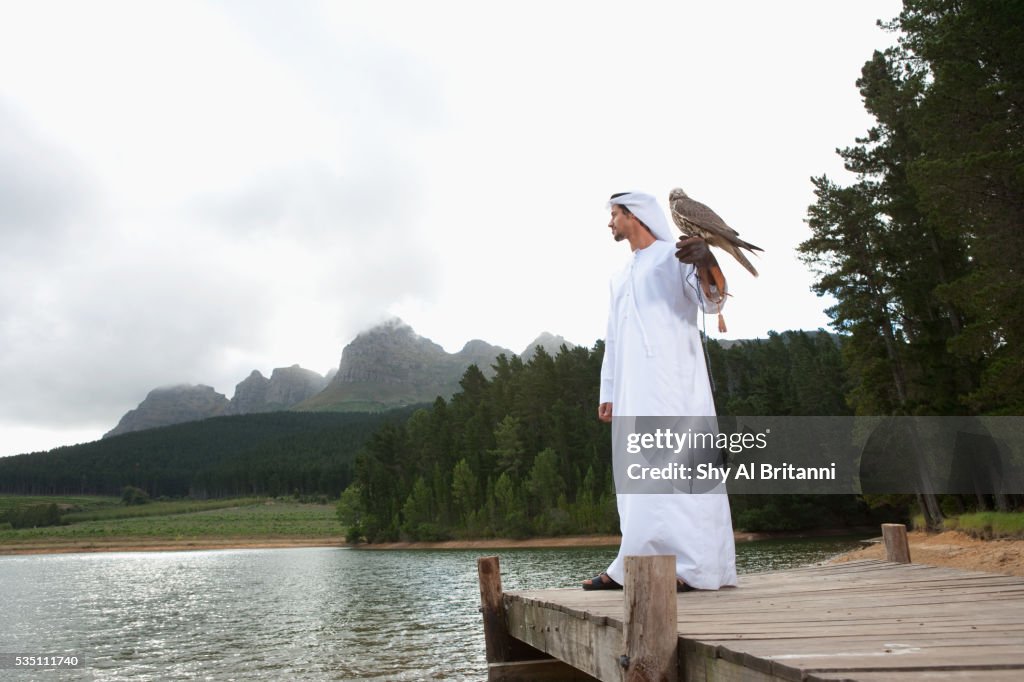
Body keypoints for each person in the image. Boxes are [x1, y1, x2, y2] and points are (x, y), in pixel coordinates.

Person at [583, 191, 738, 591]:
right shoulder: (618, 277)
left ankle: (693, 568)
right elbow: (613, 338)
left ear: (634, 216)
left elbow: (711, 303)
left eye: (614, 214)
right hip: (634, 389)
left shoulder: (677, 254)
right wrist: (609, 390)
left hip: (676, 382)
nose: (610, 222)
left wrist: (707, 260)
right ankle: (632, 565)